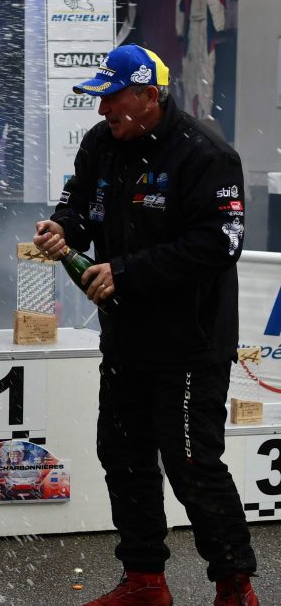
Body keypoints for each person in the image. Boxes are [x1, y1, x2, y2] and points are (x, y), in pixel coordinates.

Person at [32, 45, 258, 606]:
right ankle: (145, 582)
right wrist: (60, 230)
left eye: (112, 98)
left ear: (149, 97)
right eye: (99, 97)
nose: (102, 108)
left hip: (190, 343)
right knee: (123, 454)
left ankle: (235, 586)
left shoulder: (206, 153)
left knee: (192, 466)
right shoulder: (100, 143)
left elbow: (219, 244)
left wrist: (126, 272)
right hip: (126, 338)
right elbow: (78, 206)